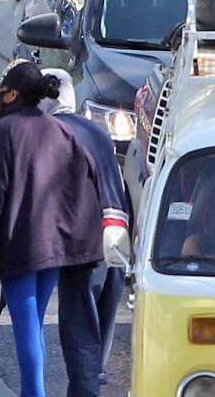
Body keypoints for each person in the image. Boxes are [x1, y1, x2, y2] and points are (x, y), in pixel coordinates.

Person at [0, 59, 108, 397]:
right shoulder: (62, 131)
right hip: (56, 248)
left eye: (2, 91)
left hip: (20, 249)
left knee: (26, 329)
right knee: (32, 323)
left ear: (11, 95)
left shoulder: (2, 134)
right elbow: (81, 191)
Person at [40, 69, 131, 397]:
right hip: (117, 233)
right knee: (100, 330)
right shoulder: (95, 129)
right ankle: (93, 381)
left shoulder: (52, 132)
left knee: (80, 332)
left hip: (86, 241)